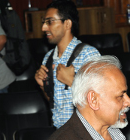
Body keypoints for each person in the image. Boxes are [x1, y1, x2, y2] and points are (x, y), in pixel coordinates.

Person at [35, 0, 100, 128]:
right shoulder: (48, 58)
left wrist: (72, 82)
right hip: (61, 133)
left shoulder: (87, 55)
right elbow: (57, 104)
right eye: (44, 22)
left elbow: (101, 99)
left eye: (50, 22)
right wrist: (43, 87)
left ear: (67, 24)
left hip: (86, 132)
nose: (44, 28)